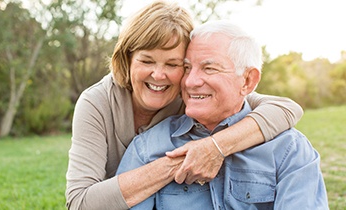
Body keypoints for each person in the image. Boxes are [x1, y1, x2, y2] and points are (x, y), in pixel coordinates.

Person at [65, 1, 304, 209]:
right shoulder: (96, 103)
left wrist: (214, 147)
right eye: (147, 61)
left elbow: (286, 109)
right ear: (127, 60)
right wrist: (181, 162)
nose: (159, 75)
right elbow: (80, 203)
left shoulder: (192, 94)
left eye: (173, 64)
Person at [116, 20, 328, 209]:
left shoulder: (289, 150)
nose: (190, 82)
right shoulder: (147, 148)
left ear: (247, 81)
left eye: (209, 69)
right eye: (187, 68)